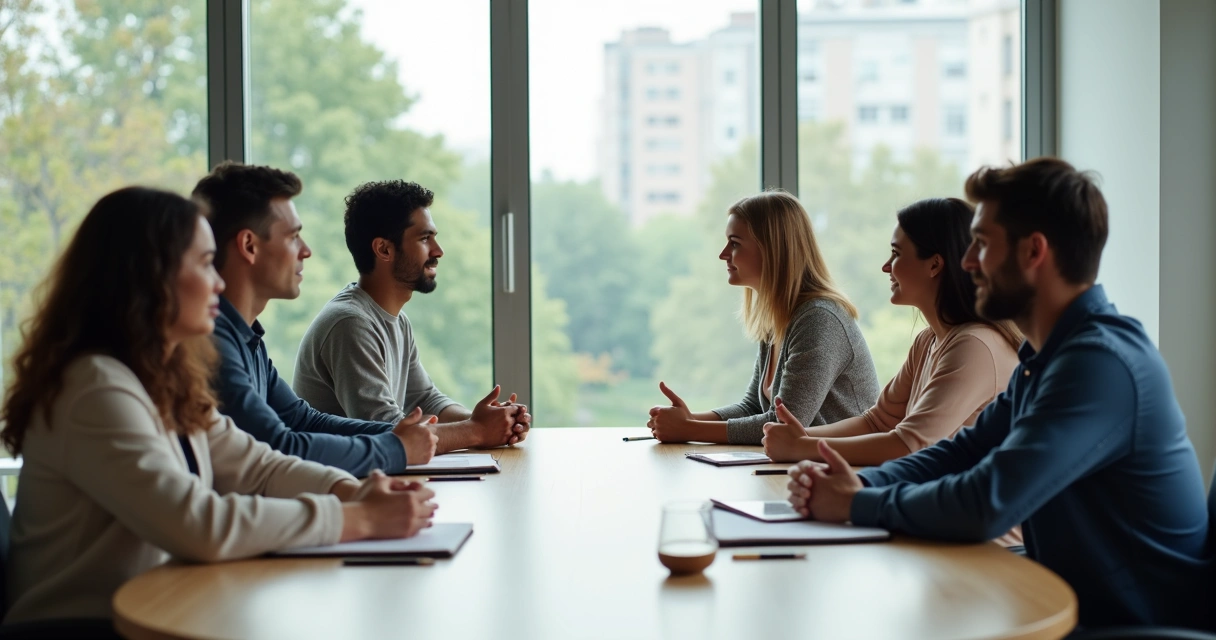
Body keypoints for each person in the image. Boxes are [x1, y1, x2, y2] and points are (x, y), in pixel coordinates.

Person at [786, 158, 1214, 631]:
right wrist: (862, 484)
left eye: (983, 245)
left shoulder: (1099, 364)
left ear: (1034, 251)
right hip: (1080, 606)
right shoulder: (1048, 355)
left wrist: (853, 504)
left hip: (1132, 627)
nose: (967, 262)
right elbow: (961, 451)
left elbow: (988, 501)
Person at [0, 187, 437, 629]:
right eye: (205, 263)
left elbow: (260, 467)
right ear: (152, 275)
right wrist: (356, 519)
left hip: (160, 611)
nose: (220, 282)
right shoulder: (94, 387)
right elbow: (198, 523)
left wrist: (352, 491)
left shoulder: (164, 377)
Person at [192, 162, 438, 477]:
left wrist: (393, 434)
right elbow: (279, 446)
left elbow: (304, 420)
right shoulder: (213, 342)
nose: (306, 251)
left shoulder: (247, 339)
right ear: (249, 246)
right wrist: (396, 447)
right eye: (294, 237)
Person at [762, 198, 1021, 467]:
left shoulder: (974, 346)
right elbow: (878, 421)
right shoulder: (928, 340)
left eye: (896, 254)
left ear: (934, 265)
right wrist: (800, 437)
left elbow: (908, 446)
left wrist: (802, 447)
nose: (886, 266)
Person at [292, 180, 530, 450]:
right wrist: (476, 431)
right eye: (424, 238)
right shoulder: (350, 323)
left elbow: (426, 398)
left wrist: (492, 422)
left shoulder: (395, 320)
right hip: (347, 488)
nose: (438, 251)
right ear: (384, 249)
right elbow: (388, 431)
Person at [648, 190, 880, 445]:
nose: (723, 254)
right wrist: (688, 419)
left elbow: (786, 425)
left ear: (772, 249)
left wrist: (689, 429)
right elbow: (752, 407)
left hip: (843, 470)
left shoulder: (819, 319)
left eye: (734, 243)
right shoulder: (779, 315)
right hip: (800, 464)